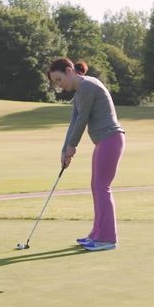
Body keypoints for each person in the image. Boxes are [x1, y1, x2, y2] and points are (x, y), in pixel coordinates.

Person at [47, 58, 125, 251]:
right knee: (95, 186)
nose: (59, 86)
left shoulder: (88, 86)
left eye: (58, 80)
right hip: (102, 142)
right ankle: (97, 234)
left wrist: (73, 146)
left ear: (69, 70)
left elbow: (82, 119)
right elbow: (73, 121)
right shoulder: (80, 92)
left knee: (102, 187)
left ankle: (107, 238)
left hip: (111, 139)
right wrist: (65, 149)